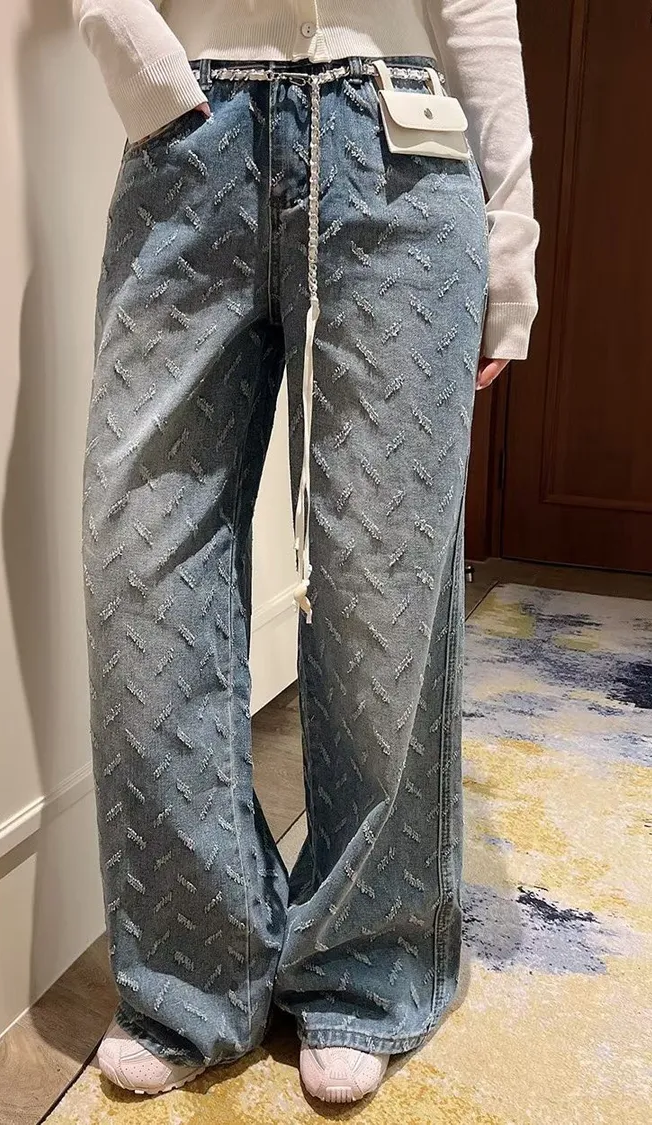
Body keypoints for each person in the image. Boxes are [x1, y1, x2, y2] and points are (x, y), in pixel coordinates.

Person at [73, 0, 538, 1105]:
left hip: (401, 148)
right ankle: (195, 963)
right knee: (141, 568)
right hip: (188, 144)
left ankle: (365, 962)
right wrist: (145, 70)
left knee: (382, 586)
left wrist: (511, 233)